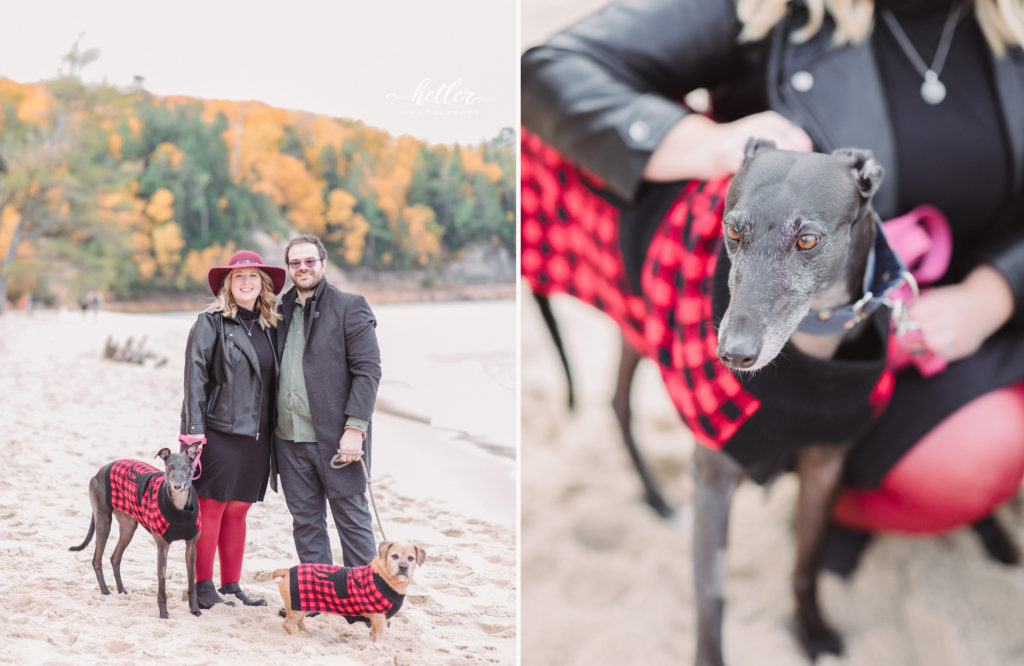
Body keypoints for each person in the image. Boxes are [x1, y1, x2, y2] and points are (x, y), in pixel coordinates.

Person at [522, 0, 1024, 562]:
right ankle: (837, 490)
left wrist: (995, 293)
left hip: (995, 316)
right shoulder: (766, 9)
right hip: (827, 349)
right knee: (978, 457)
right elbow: (548, 68)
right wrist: (702, 144)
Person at [181, 250, 286, 608]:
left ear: (263, 284)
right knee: (211, 507)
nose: (246, 283)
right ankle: (203, 586)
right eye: (238, 277)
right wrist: (194, 432)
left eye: (253, 277)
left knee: (239, 509)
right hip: (219, 429)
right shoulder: (210, 323)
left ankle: (231, 585)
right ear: (228, 285)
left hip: (258, 435)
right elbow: (195, 378)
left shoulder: (271, 325)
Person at [274, 234, 382, 572]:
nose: (303, 268)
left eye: (309, 261)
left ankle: (364, 603)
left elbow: (369, 371)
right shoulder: (279, 311)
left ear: (323, 263)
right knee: (306, 523)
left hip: (338, 438)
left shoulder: (350, 306)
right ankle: (318, 597)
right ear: (289, 268)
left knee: (351, 518)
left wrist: (355, 429)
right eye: (295, 263)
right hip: (289, 439)